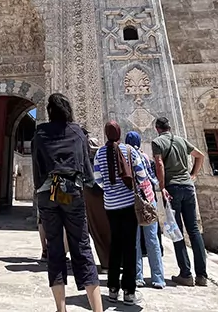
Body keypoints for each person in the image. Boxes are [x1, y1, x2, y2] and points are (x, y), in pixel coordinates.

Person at [32, 93, 103, 312]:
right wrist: (90, 185)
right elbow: (85, 166)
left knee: (55, 248)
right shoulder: (77, 132)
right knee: (82, 247)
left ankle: (60, 309)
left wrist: (40, 189)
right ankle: (97, 309)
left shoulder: (40, 133)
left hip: (48, 193)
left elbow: (37, 168)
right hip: (72, 192)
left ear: (49, 110)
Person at [94, 121, 148, 306]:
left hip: (110, 206)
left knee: (115, 245)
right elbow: (141, 175)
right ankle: (129, 292)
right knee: (130, 247)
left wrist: (110, 191)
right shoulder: (130, 151)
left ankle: (112, 289)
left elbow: (98, 180)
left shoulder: (100, 153)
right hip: (128, 205)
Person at [152, 116, 207, 287]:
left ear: (157, 129)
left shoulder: (157, 142)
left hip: (172, 188)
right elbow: (200, 155)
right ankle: (202, 275)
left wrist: (162, 187)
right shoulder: (181, 140)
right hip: (188, 187)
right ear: (169, 127)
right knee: (194, 230)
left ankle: (185, 274)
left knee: (176, 231)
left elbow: (159, 164)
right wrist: (193, 175)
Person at [125, 131, 165, 289]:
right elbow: (149, 178)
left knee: (134, 241)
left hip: (133, 202)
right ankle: (158, 278)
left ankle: (138, 276)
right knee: (152, 239)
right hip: (149, 201)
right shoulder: (145, 157)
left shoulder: (128, 156)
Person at [81, 129, 111, 271]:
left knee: (95, 229)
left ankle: (105, 262)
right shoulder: (105, 155)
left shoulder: (83, 155)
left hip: (91, 193)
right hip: (107, 195)